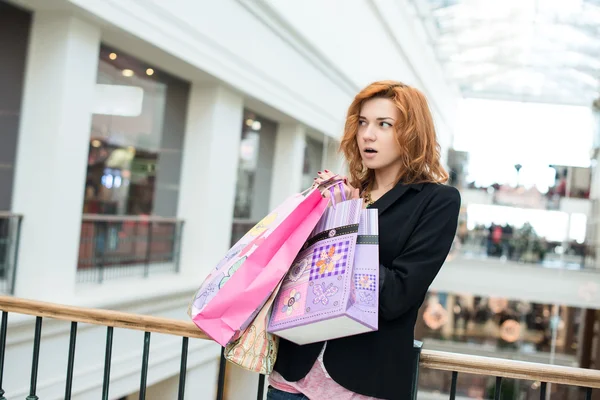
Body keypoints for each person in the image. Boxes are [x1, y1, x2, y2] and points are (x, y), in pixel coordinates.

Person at [267, 80, 461, 400]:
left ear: (411, 133)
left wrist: (348, 224)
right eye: (362, 123)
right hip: (291, 377)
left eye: (384, 124)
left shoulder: (436, 201)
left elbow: (397, 296)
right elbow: (301, 273)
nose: (367, 134)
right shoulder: (344, 192)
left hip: (361, 384)